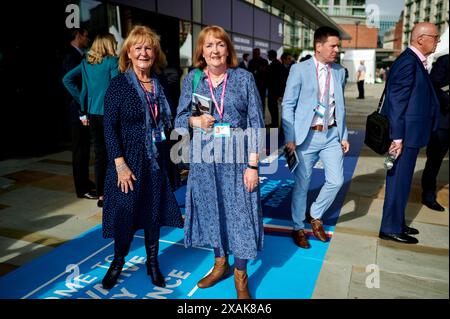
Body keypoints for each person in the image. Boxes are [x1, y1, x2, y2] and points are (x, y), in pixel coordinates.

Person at [174, 25, 264, 299]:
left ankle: (240, 275)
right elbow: (178, 120)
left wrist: (253, 166)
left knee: (240, 217)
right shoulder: (193, 80)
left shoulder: (243, 78)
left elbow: (256, 124)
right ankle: (219, 264)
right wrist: (194, 120)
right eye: (209, 45)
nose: (214, 50)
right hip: (204, 161)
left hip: (237, 161)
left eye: (220, 44)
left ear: (228, 49)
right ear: (201, 51)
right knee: (213, 214)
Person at [101, 25, 183, 289]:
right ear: (129, 53)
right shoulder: (118, 85)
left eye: (149, 48)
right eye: (138, 48)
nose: (144, 53)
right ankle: (118, 262)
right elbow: (109, 128)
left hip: (156, 160)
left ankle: (152, 262)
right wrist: (120, 165)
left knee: (153, 211)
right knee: (125, 213)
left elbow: (169, 126)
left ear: (155, 53)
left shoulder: (161, 84)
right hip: (128, 163)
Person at [282, 26, 350, 249]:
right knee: (302, 184)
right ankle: (298, 227)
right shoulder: (299, 70)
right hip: (306, 137)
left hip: (331, 135)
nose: (336, 50)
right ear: (318, 46)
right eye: (333, 46)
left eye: (338, 46)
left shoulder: (339, 71)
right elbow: (288, 105)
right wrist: (290, 136)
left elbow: (340, 106)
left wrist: (344, 134)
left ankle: (316, 214)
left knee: (336, 180)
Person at [379, 22, 440, 244]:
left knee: (402, 182)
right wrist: (397, 138)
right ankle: (390, 227)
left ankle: (397, 222)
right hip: (403, 136)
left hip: (410, 134)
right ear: (420, 39)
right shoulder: (408, 62)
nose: (438, 40)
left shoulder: (414, 61)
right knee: (398, 182)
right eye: (435, 36)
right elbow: (396, 102)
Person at [63, 32, 119, 208]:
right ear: (109, 44)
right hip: (110, 114)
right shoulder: (112, 62)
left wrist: (82, 102)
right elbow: (117, 87)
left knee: (100, 155)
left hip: (93, 114)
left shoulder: (87, 62)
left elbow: (67, 80)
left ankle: (101, 195)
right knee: (115, 153)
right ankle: (115, 192)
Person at [62, 28, 97, 200]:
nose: (87, 39)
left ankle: (85, 183)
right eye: (86, 36)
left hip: (79, 109)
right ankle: (82, 188)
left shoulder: (77, 54)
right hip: (76, 110)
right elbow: (69, 82)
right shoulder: (71, 56)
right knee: (80, 150)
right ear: (78, 35)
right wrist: (82, 103)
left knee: (83, 149)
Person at [421, 53, 449, 212]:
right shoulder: (445, 60)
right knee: (434, 161)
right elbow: (433, 87)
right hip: (443, 123)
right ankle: (428, 196)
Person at [248, 48, 269, 116]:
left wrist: (257, 71)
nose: (255, 54)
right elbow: (249, 72)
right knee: (253, 102)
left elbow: (266, 72)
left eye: (256, 53)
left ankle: (262, 117)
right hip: (253, 85)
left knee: (262, 102)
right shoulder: (251, 61)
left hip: (262, 86)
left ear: (259, 53)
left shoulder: (264, 61)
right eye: (254, 53)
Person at [267, 49, 284, 128]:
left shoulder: (274, 64)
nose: (267, 56)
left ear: (271, 55)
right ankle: (274, 123)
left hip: (273, 91)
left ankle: (275, 124)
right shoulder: (277, 63)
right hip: (275, 90)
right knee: (273, 108)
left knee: (273, 107)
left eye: (268, 55)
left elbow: (274, 79)